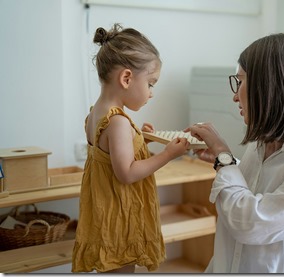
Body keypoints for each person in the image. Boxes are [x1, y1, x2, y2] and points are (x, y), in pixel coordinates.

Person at [185, 33, 284, 273]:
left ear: (268, 87)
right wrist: (230, 164)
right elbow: (265, 190)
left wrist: (225, 158)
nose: (234, 95)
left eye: (240, 82)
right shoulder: (260, 144)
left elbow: (251, 223)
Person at [72, 23, 189, 273]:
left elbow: (110, 154)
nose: (151, 93)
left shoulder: (97, 114)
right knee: (122, 269)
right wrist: (169, 154)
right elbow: (126, 173)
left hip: (104, 213)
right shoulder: (118, 121)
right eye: (151, 84)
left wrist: (140, 141)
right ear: (126, 78)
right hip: (119, 215)